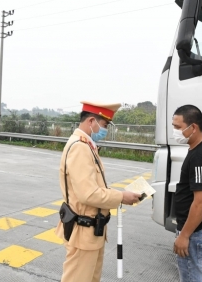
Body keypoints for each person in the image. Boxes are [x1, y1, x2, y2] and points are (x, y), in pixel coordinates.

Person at [55, 101, 141, 282]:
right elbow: (88, 194)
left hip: (92, 231)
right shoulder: (80, 147)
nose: (105, 130)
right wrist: (121, 197)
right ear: (92, 121)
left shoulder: (86, 145)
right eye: (104, 125)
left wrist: (119, 194)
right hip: (83, 232)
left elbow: (94, 187)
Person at [172, 105, 202, 282]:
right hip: (198, 231)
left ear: (193, 127)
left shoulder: (200, 156)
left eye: (177, 127)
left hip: (197, 233)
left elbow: (201, 202)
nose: (174, 132)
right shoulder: (198, 149)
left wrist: (184, 236)